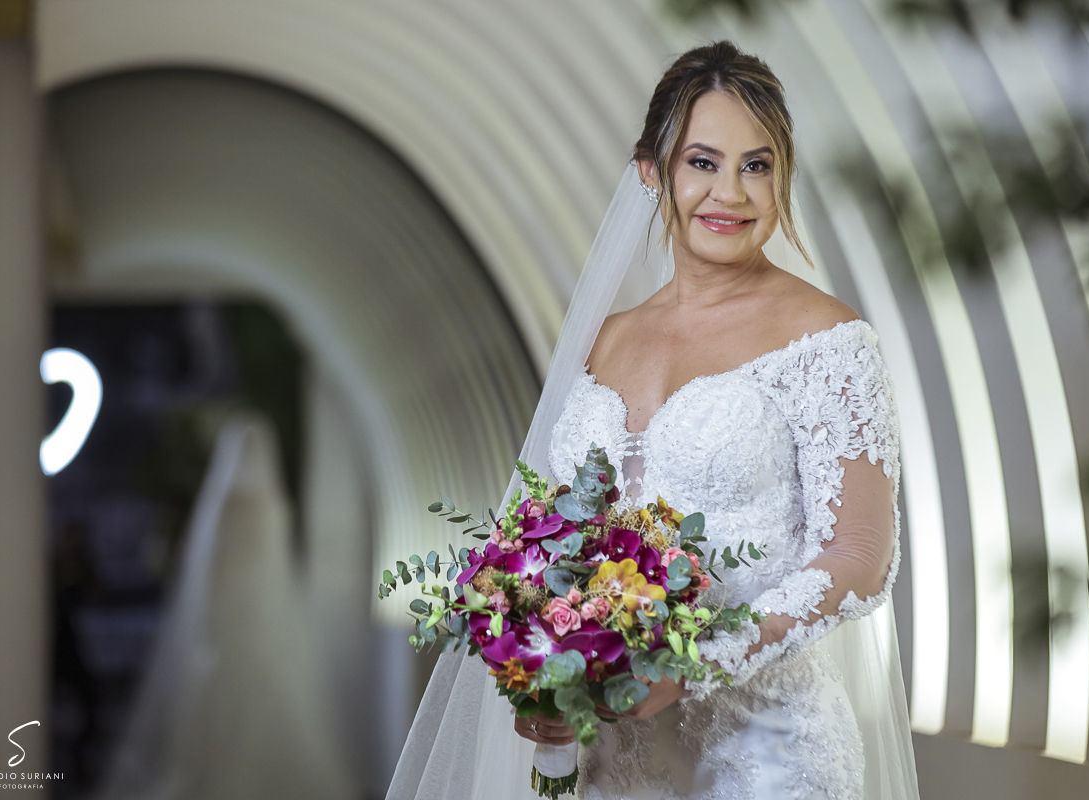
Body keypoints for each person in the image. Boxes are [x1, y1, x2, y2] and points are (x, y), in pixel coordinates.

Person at [386, 41, 919, 800]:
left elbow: (861, 555)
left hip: (765, 754)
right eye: (702, 162)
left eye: (756, 165)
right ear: (650, 172)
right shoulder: (603, 340)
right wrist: (540, 665)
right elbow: (549, 534)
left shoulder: (828, 342)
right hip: (613, 753)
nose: (729, 193)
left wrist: (695, 660)